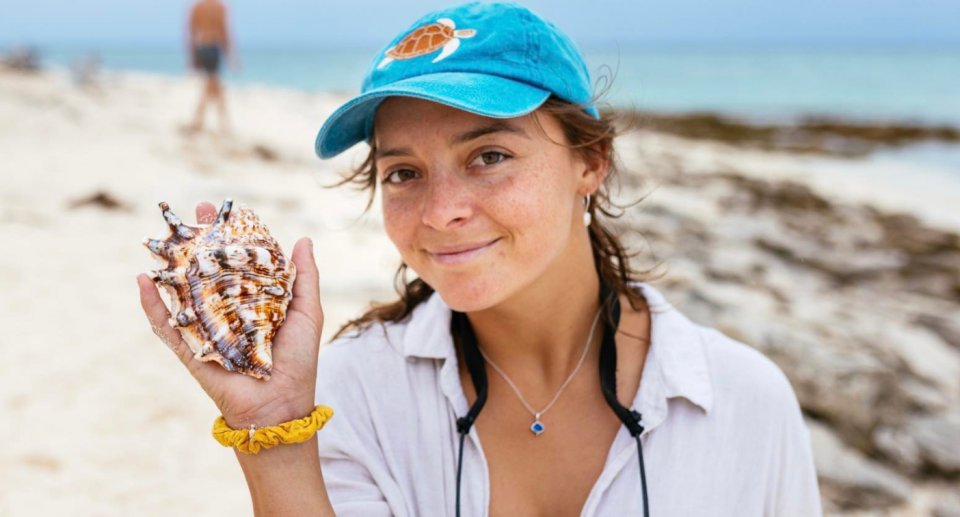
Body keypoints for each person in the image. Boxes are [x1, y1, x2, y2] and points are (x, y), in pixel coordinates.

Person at [137, 2, 823, 516]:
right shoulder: (354, 393)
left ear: (591, 161)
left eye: (489, 156)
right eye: (403, 172)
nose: (441, 212)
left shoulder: (741, 403)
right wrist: (276, 438)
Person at [185, 0, 236, 134]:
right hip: (213, 47)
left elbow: (191, 34)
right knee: (213, 84)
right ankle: (221, 123)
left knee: (212, 84)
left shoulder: (196, 7)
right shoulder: (219, 7)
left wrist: (192, 57)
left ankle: (201, 121)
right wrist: (230, 56)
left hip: (201, 47)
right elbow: (224, 32)